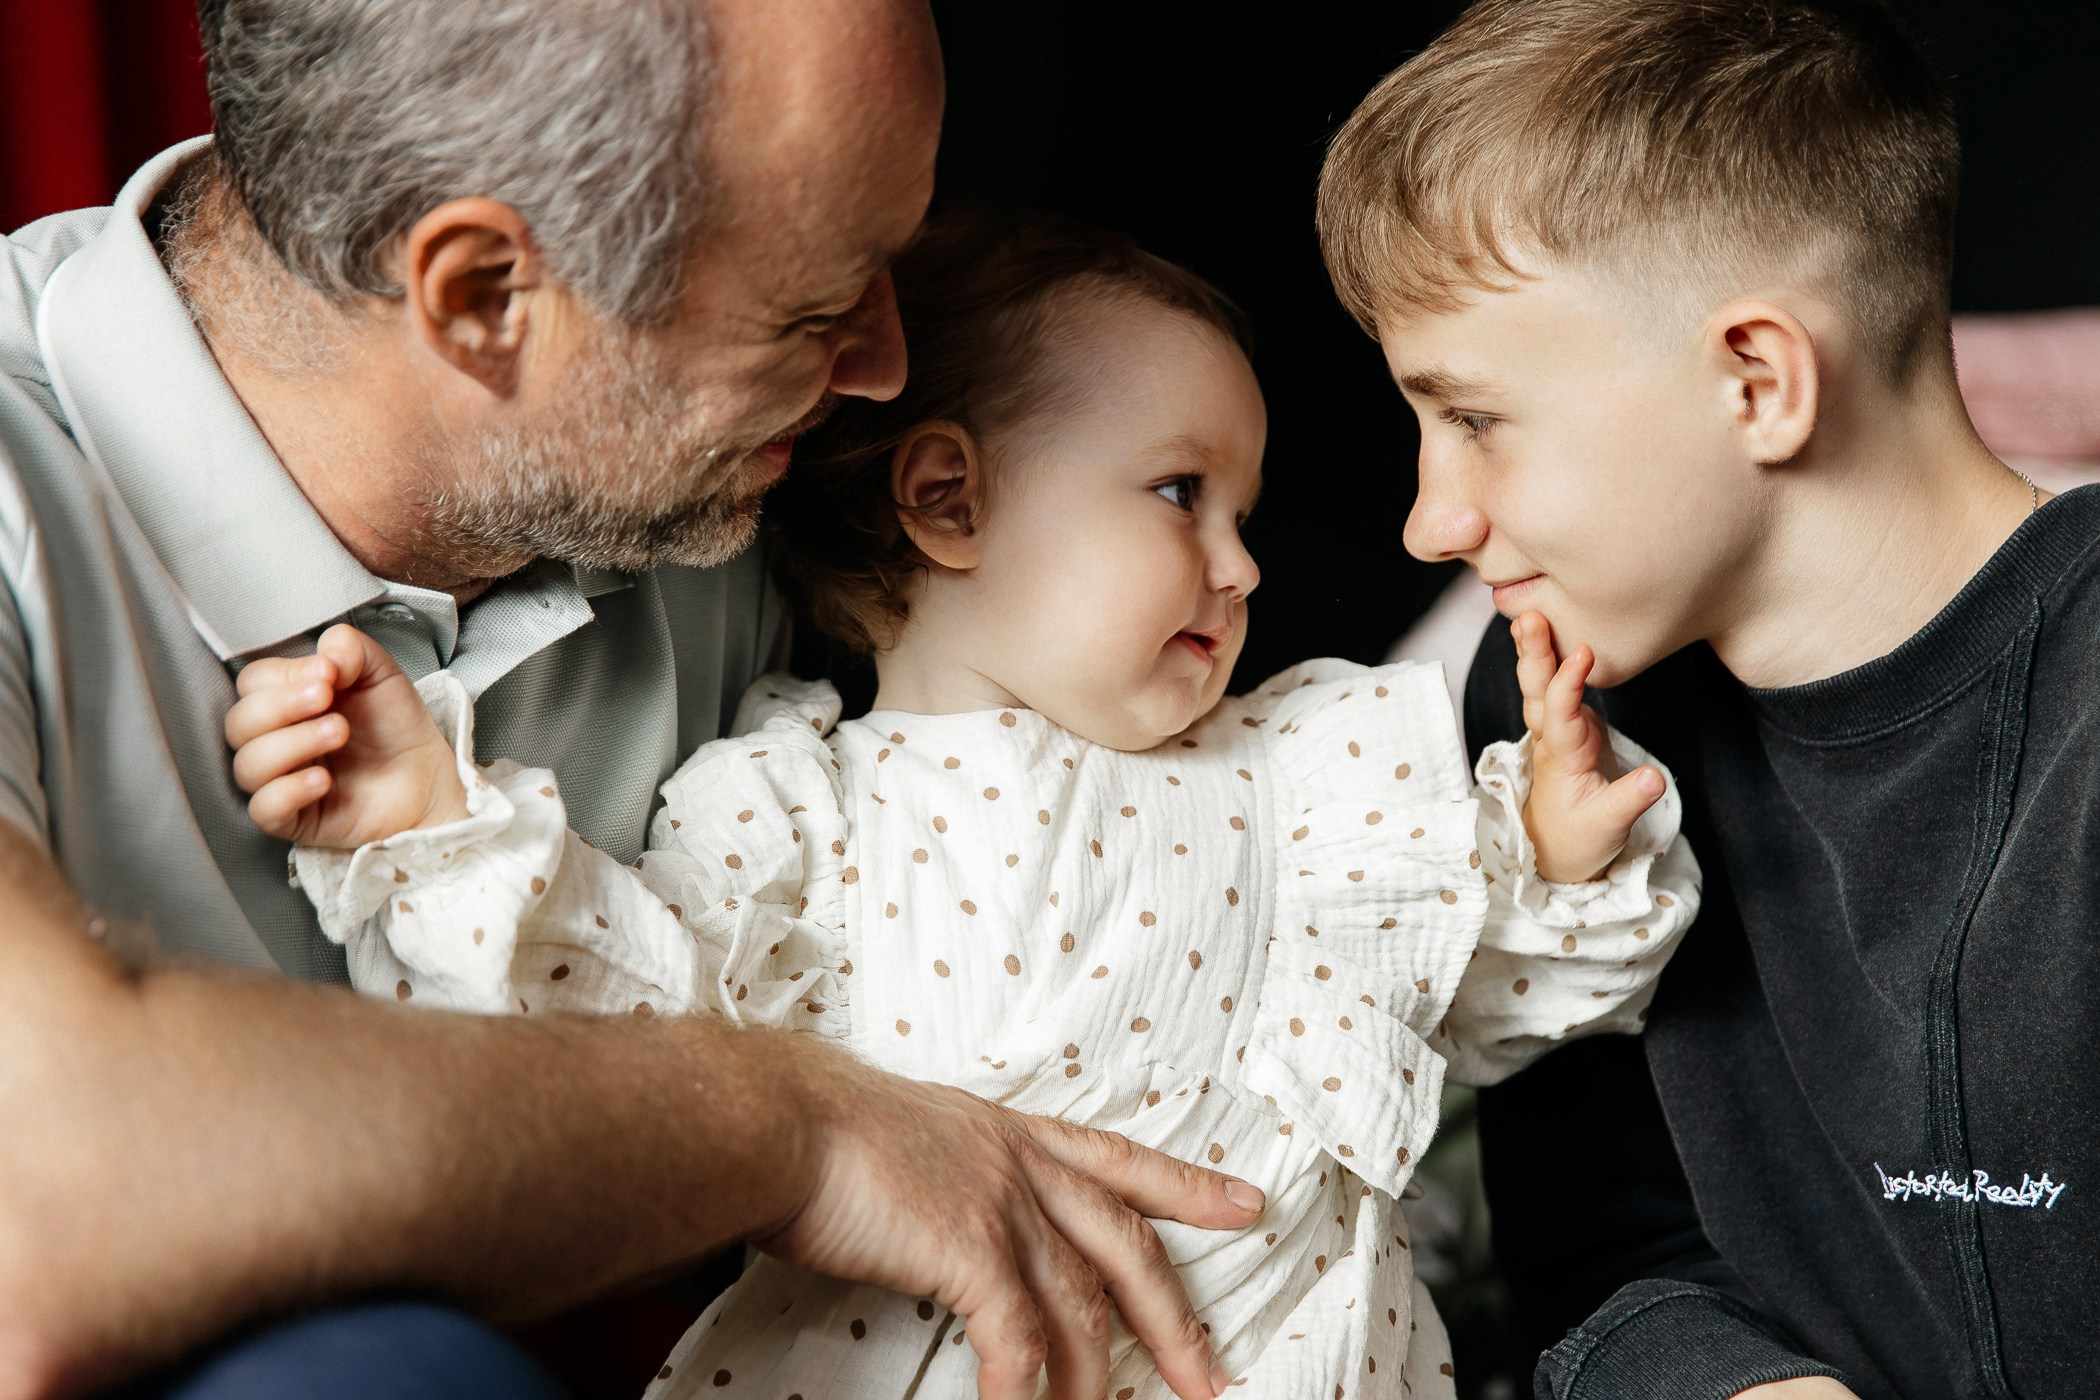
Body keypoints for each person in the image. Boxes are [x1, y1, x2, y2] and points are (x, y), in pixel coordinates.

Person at [0, 4, 1275, 1397]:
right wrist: (796, 1131)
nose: (886, 369)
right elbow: (49, 1208)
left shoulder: (733, 480)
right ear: (485, 297)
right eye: (815, 309)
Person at [227, 208, 1701, 1399]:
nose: (1244, 565)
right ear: (949, 499)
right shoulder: (792, 808)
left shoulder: (1294, 775)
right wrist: (432, 823)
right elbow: (620, 1027)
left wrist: (1554, 860)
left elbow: (1468, 1009)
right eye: (1180, 492)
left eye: (1245, 513)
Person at [1316, 0, 2097, 1397]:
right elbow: (1599, 1259)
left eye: (1476, 419)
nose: (1432, 522)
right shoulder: (1558, 715)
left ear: (1759, 380)